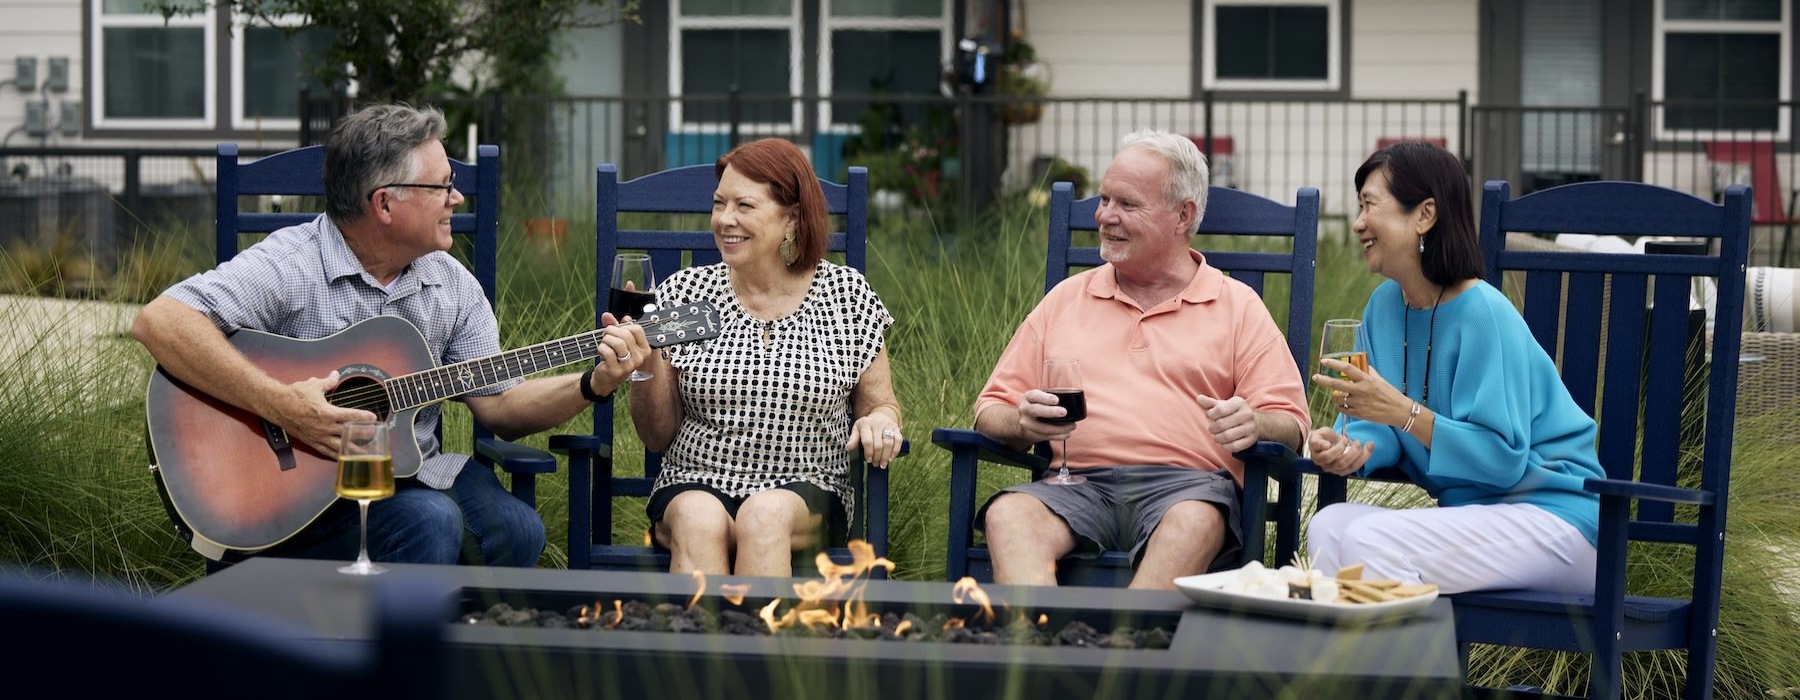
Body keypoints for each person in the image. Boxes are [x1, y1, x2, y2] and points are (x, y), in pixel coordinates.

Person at [132, 104, 650, 568]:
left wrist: (593, 383)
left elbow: (502, 407)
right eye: (443, 185)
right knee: (429, 522)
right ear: (384, 205)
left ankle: (444, 659)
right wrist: (283, 406)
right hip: (292, 495)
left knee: (517, 530)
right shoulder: (292, 263)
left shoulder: (450, 283)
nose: (457, 197)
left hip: (411, 473)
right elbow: (160, 321)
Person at [973, 129, 1309, 590]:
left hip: (1188, 490)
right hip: (1076, 489)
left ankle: (1124, 655)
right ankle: (1039, 652)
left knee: (1194, 520)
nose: (1105, 216)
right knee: (1009, 513)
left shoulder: (1237, 305)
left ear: (1182, 216)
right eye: (1104, 199)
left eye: (1127, 205)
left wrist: (1257, 423)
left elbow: (1291, 423)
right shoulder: (1067, 299)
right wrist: (1021, 423)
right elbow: (990, 410)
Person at [1306, 141, 1603, 595]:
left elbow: (1503, 461)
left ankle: (1416, 665)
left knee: (1369, 539)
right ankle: (1357, 665)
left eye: (1370, 205)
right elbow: (1379, 427)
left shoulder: (1483, 312)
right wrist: (1350, 447)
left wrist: (1404, 411)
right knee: (1328, 526)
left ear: (1424, 214)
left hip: (1554, 519)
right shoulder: (1381, 309)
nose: (1358, 223)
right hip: (1472, 518)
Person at [629, 138, 903, 577]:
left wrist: (880, 422)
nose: (725, 220)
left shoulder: (847, 296)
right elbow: (656, 435)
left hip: (807, 490)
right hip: (694, 481)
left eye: (744, 206)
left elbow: (881, 404)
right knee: (699, 520)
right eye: (719, 204)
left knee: (764, 516)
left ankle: (751, 645)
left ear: (792, 217)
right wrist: (645, 365)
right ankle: (695, 644)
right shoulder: (683, 294)